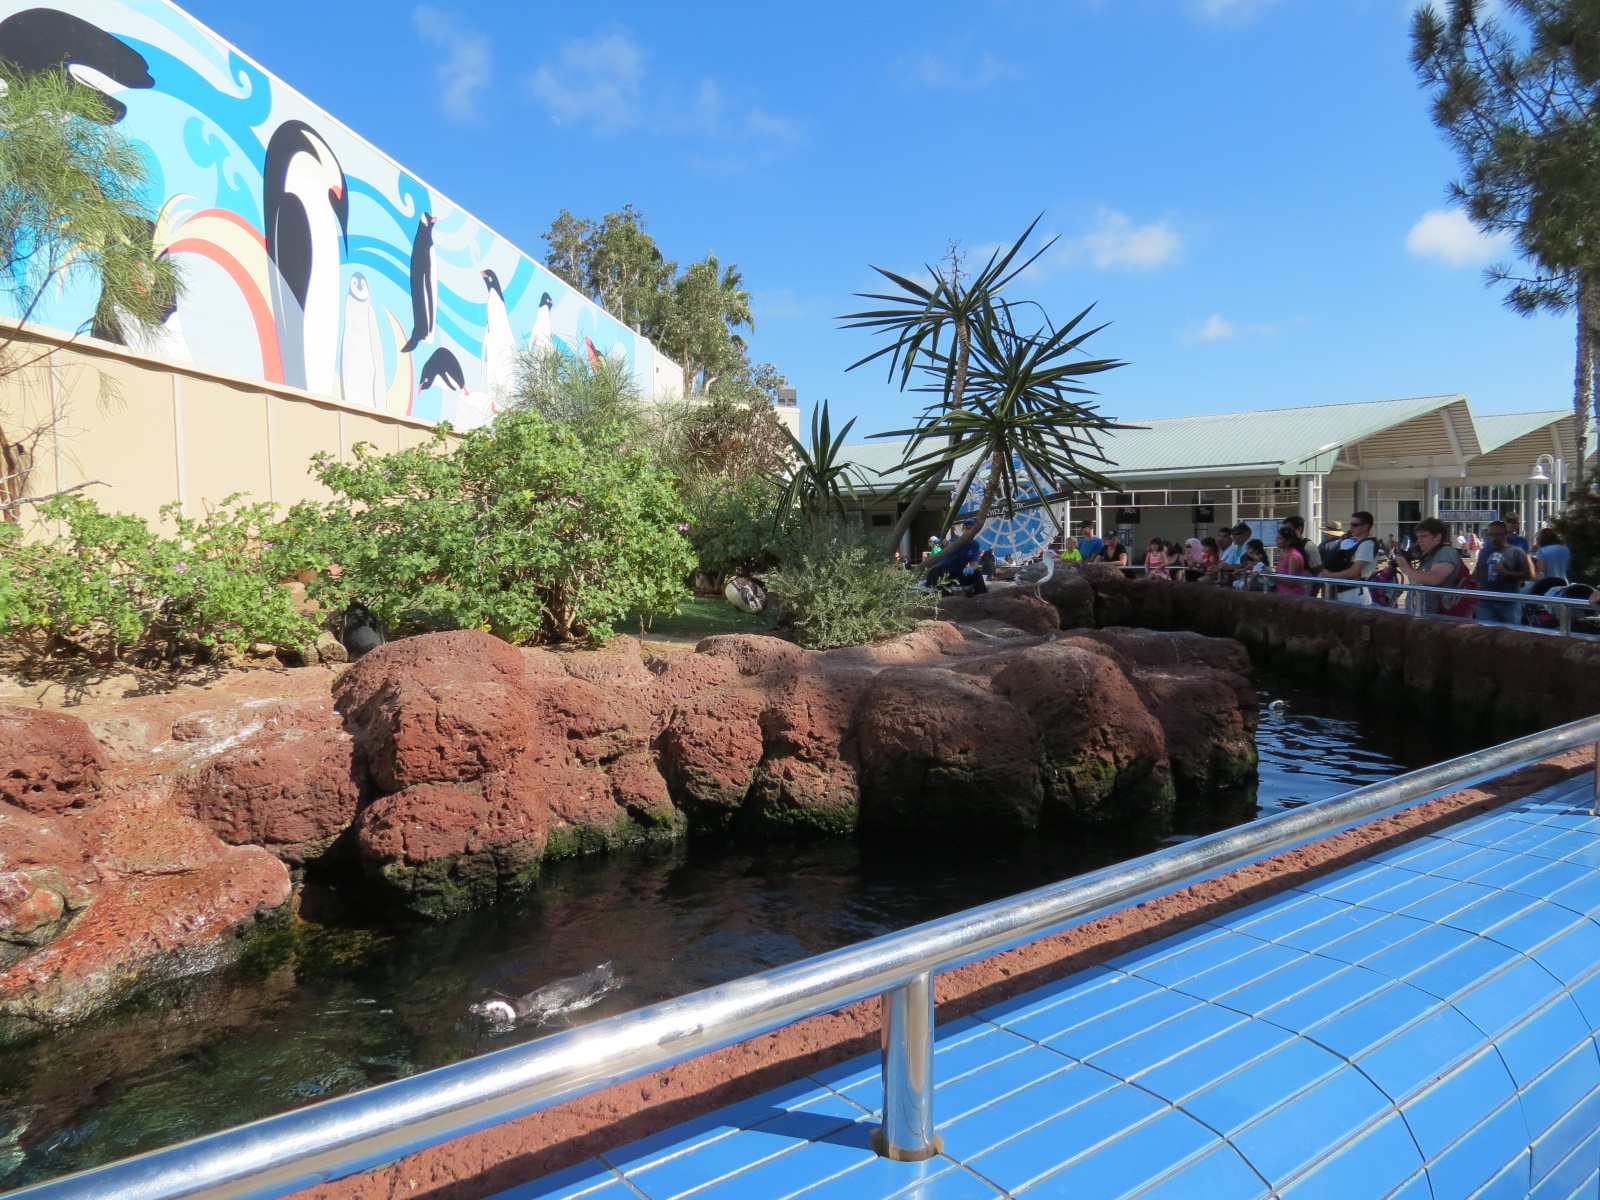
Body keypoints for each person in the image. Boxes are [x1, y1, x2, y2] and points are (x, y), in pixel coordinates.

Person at [1391, 517, 1462, 616]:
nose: (1419, 540)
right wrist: (1408, 565)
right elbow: (1419, 580)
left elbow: (1434, 578)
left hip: (1439, 619)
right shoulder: (1429, 556)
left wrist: (1406, 569)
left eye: (1423, 536)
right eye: (1418, 537)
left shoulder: (1446, 552)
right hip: (1421, 615)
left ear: (1437, 536)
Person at [1472, 520, 1532, 624]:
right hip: (1485, 602)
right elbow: (1477, 572)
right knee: (1487, 635)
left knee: (1510, 635)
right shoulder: (1484, 551)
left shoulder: (1516, 552)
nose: (1494, 538)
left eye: (1498, 535)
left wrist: (1507, 573)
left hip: (1509, 602)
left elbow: (1528, 575)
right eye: (1491, 535)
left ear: (1505, 534)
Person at [1319, 511, 1380, 604]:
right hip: (1343, 590)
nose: (1351, 527)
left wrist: (1329, 575)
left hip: (1355, 591)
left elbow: (1354, 572)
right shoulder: (1351, 543)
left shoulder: (1368, 544)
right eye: (1351, 524)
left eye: (1355, 525)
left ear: (1365, 526)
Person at [1274, 526, 1309, 595]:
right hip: (1281, 594)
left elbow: (1291, 581)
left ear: (1288, 541)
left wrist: (1273, 575)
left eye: (1280, 538)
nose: (1276, 540)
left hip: (1293, 595)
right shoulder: (1283, 554)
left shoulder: (1293, 557)